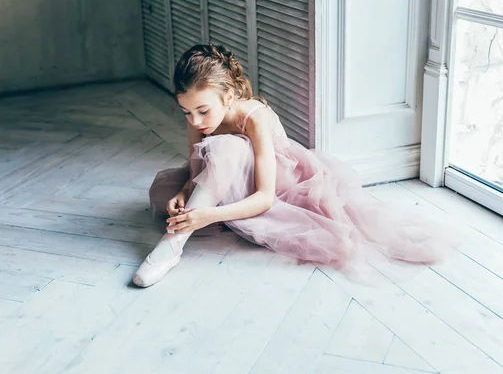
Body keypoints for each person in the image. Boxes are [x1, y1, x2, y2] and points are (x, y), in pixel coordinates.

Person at [132, 43, 459, 287]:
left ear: (228, 97)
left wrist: (208, 214)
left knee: (225, 148)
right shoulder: (197, 118)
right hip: (223, 177)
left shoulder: (253, 117)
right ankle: (194, 217)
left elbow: (264, 197)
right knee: (164, 194)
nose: (195, 120)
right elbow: (195, 168)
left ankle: (171, 247)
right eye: (187, 112)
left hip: (279, 186)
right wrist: (186, 190)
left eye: (202, 111)